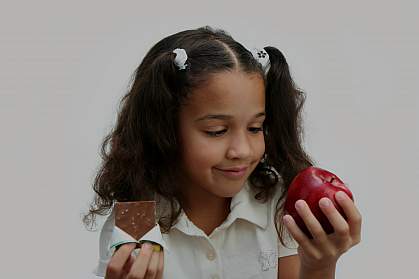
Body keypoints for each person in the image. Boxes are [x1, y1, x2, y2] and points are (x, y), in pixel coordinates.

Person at [83, 26, 362, 279]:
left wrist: (320, 266)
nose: (241, 150)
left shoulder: (274, 200)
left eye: (255, 128)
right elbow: (130, 241)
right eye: (216, 131)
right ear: (164, 129)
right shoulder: (136, 211)